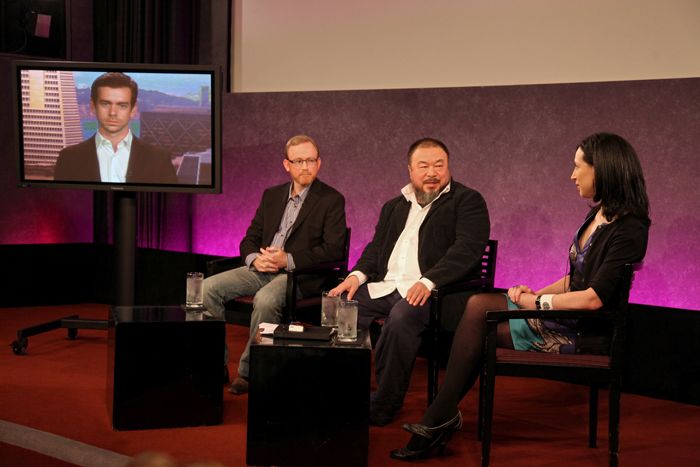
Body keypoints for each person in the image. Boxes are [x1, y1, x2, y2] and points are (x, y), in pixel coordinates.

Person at [390, 132, 651, 461]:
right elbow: (575, 278)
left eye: (577, 167)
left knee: (480, 319)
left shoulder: (630, 228)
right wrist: (536, 292)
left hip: (585, 331)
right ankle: (441, 416)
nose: (572, 175)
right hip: (566, 316)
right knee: (479, 306)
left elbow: (593, 298)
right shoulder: (597, 215)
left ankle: (438, 418)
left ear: (601, 170)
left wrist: (536, 304)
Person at [330, 137, 490, 426]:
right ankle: (343, 391)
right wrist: (355, 276)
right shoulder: (394, 205)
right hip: (388, 286)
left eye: (439, 165)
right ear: (410, 170)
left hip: (437, 294)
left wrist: (429, 281)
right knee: (342, 306)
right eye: (424, 166)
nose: (432, 172)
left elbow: (467, 249)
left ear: (449, 167)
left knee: (402, 316)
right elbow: (376, 247)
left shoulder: (467, 201)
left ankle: (384, 403)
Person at [203, 134, 347, 395]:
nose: (305, 166)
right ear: (286, 165)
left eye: (311, 160)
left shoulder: (331, 200)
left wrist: (288, 259)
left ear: (319, 163)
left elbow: (333, 249)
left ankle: (249, 371)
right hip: (262, 268)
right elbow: (250, 238)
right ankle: (215, 364)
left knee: (266, 299)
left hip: (300, 276)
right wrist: (253, 258)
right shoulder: (271, 195)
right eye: (299, 161)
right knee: (207, 288)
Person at [54, 72, 178, 184]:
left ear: (133, 110)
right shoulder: (69, 158)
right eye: (105, 104)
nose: (113, 112)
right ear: (93, 107)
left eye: (122, 105)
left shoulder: (159, 159)